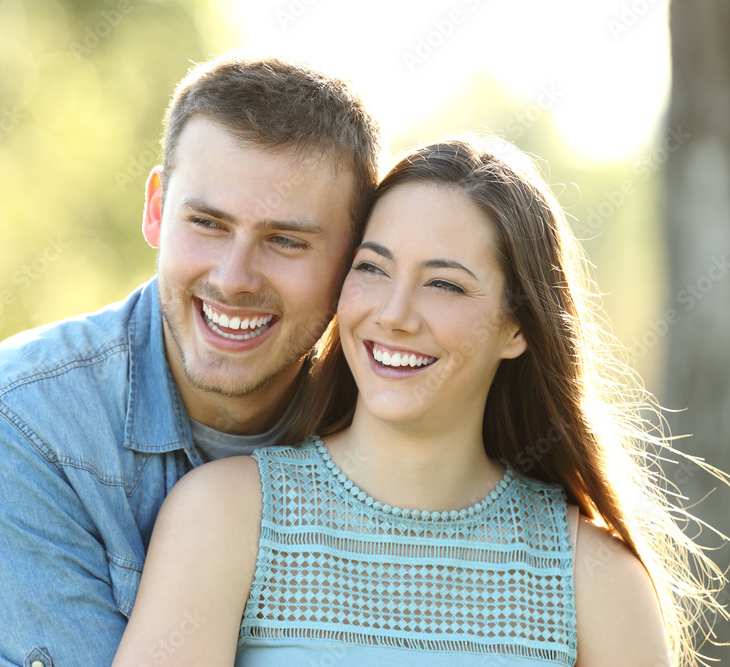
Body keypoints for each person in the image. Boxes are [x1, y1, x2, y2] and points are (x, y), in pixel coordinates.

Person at [113, 135, 726, 666]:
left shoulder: (597, 578)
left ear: (517, 327)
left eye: (444, 284)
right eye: (373, 269)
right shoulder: (225, 516)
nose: (395, 315)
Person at [0, 54, 381, 666]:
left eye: (285, 240)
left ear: (354, 258)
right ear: (155, 209)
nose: (233, 278)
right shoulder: (19, 420)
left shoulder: (391, 422)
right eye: (207, 223)